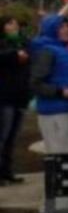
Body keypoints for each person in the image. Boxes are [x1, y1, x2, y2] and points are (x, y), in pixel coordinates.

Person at [29, 14, 68, 155]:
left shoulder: (63, 49)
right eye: (61, 27)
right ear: (52, 29)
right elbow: (36, 83)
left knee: (63, 155)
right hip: (54, 111)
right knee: (60, 156)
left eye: (67, 26)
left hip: (65, 108)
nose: (67, 29)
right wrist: (65, 92)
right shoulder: (47, 50)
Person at [0, 17, 31, 184]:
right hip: (4, 96)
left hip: (20, 95)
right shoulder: (4, 45)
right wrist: (14, 54)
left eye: (15, 23)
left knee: (12, 136)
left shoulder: (23, 42)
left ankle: (7, 171)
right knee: (3, 135)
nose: (15, 26)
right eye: (10, 23)